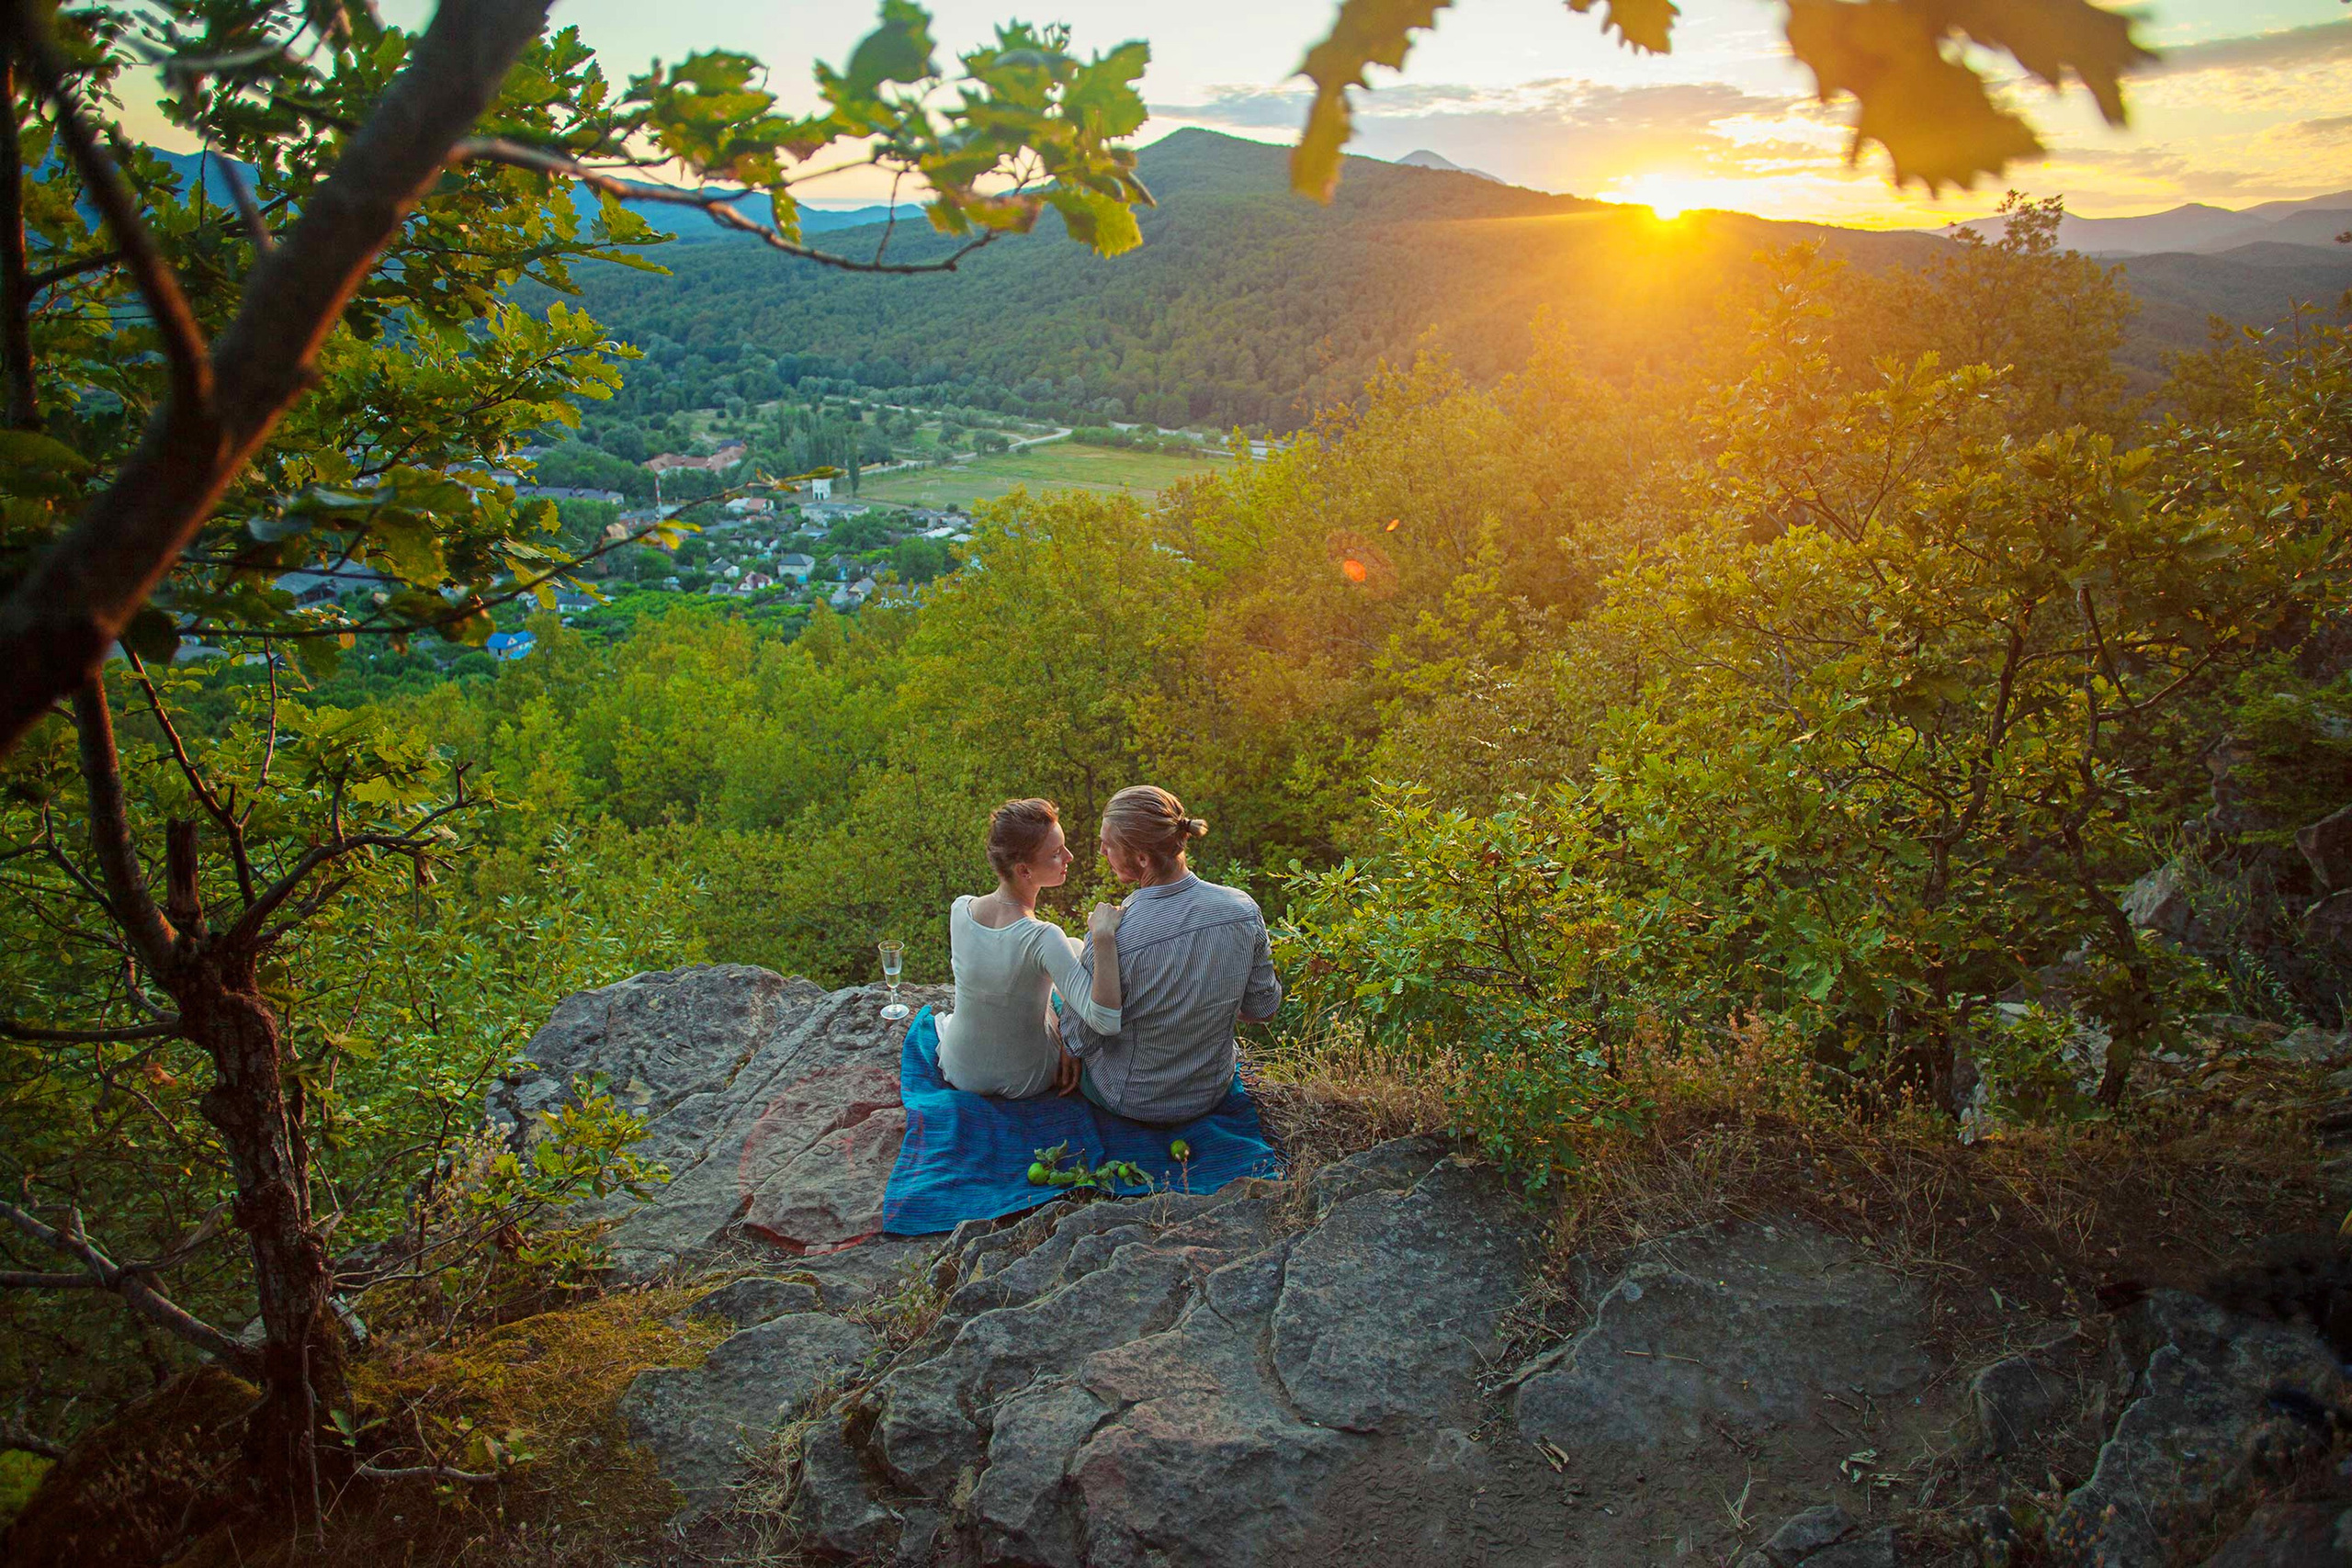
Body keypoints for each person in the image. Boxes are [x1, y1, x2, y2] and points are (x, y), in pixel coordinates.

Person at [1060, 784, 1283, 1125]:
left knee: (1057, 999)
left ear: (1142, 859)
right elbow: (1263, 1009)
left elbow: (1079, 1039)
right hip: (1211, 1092)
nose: (1102, 850)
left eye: (1108, 844)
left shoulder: (1116, 935)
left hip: (1131, 1099)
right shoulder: (1242, 910)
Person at [936, 798, 1125, 1100]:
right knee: (1077, 949)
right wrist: (1103, 937)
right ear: (1024, 871)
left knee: (1071, 948)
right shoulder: (1043, 937)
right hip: (1026, 1078)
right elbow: (1105, 1020)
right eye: (1055, 854)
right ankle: (1065, 1038)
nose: (1069, 857)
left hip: (960, 1069)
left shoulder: (961, 909)